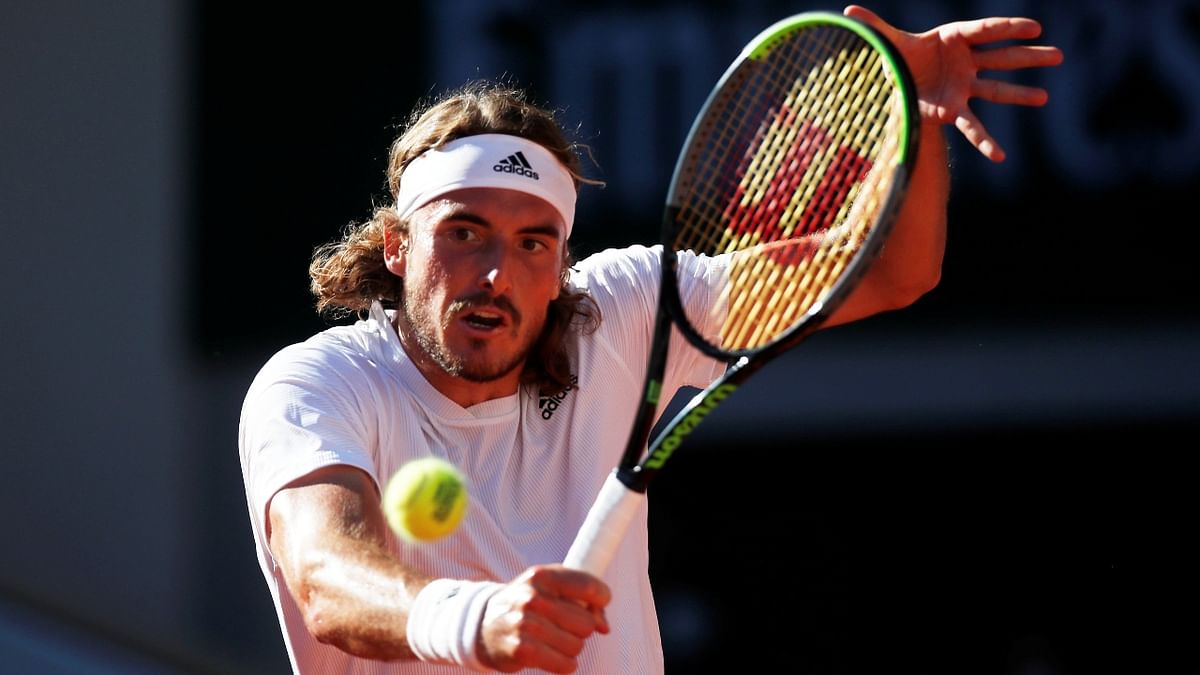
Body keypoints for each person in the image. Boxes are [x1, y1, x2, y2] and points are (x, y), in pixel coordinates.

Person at [238, 5, 1063, 673]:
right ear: (395, 246)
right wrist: (477, 618)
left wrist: (909, 119)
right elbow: (324, 576)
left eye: (534, 243)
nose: (498, 273)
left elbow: (890, 273)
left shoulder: (624, 308)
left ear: (563, 261)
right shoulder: (316, 385)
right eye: (464, 232)